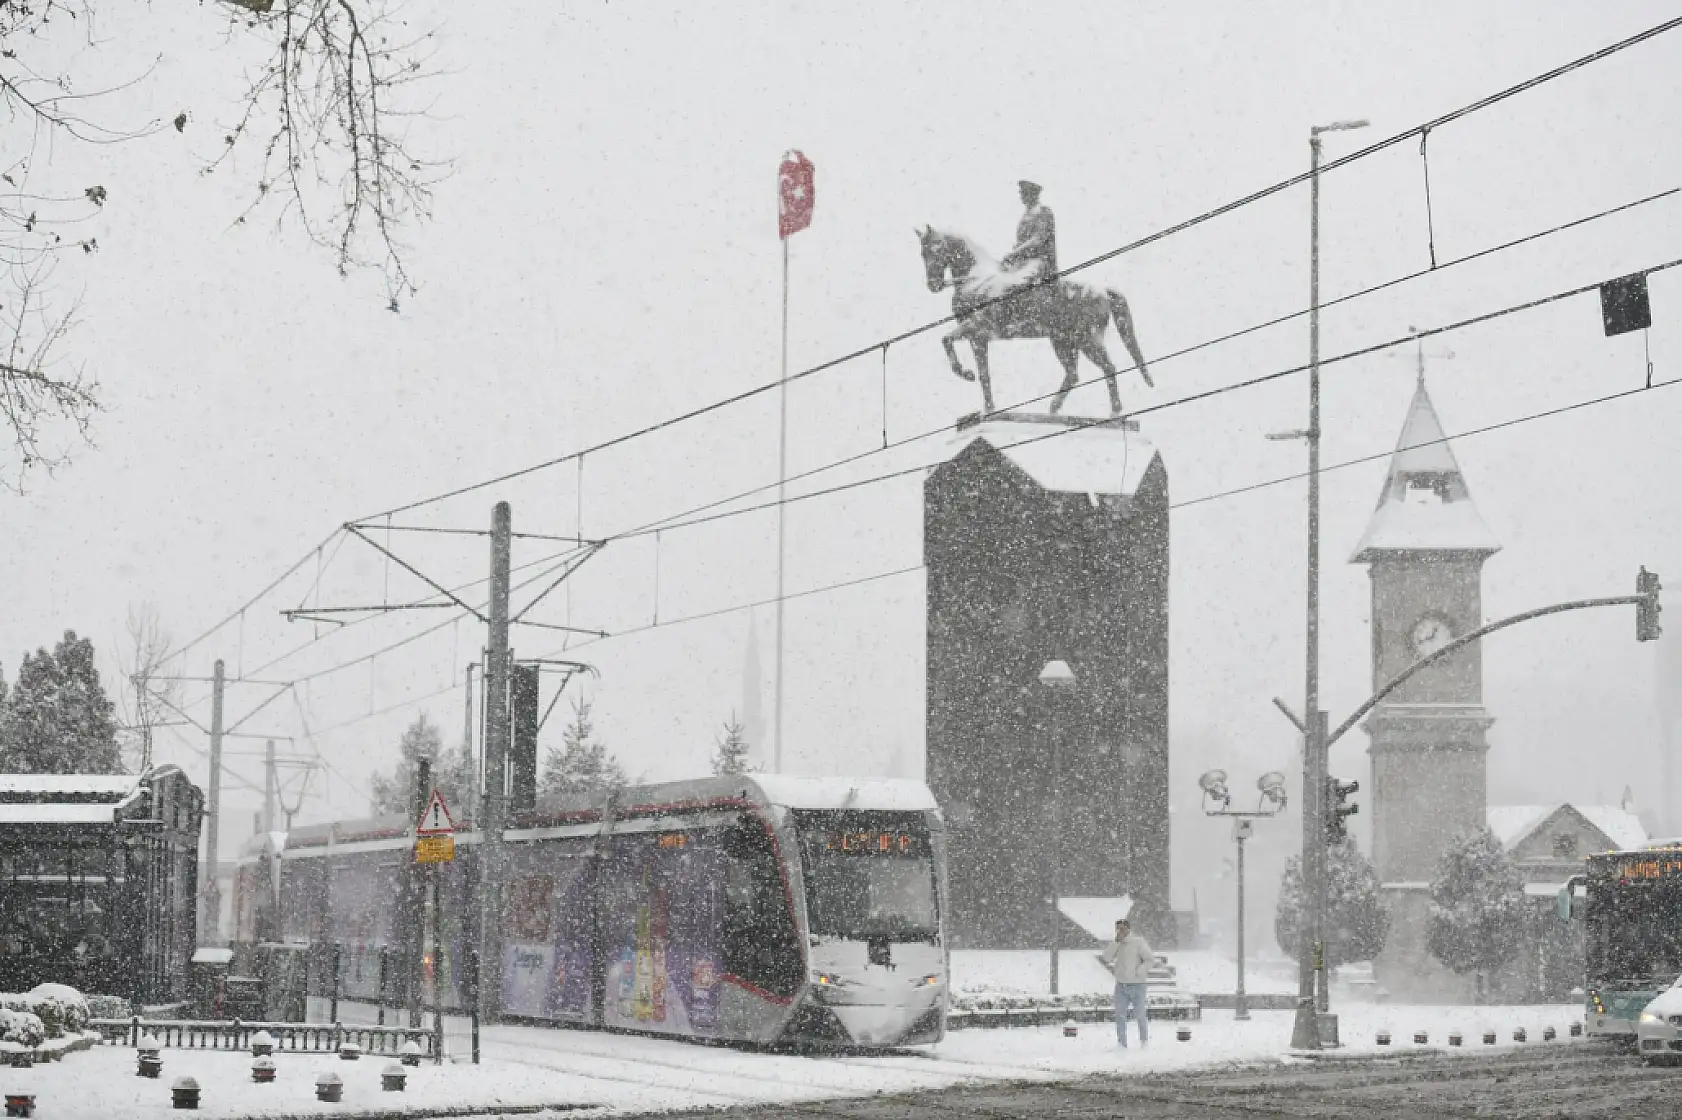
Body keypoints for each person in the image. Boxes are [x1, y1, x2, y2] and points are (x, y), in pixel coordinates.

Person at [1100, 917, 1153, 1048]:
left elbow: (1149, 959)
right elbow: (1106, 958)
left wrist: (1140, 972)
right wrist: (1115, 942)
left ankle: (1144, 1041)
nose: (1120, 931)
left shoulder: (1138, 942)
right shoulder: (1117, 944)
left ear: (1128, 929)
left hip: (1138, 985)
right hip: (1121, 986)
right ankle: (1121, 1044)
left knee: (1140, 1014)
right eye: (1118, 929)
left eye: (1123, 929)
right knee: (1120, 1015)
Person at [999, 180, 1058, 291]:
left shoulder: (1043, 212)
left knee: (1017, 285)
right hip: (1022, 262)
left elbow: (1038, 239)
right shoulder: (1025, 215)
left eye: (1024, 193)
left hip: (1038, 261)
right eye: (1021, 193)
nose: (1021, 197)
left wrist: (1015, 252)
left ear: (1032, 194)